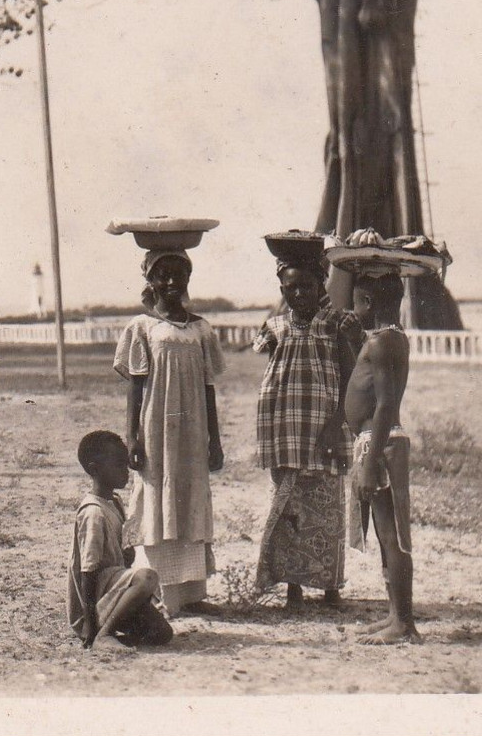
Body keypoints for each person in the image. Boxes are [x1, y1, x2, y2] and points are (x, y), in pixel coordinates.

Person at [252, 247, 364, 608]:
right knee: (289, 512)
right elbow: (277, 376)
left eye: (306, 286)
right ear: (282, 290)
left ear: (321, 286)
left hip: (324, 432)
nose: (299, 293)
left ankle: (331, 588)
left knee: (328, 509)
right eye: (291, 288)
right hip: (286, 433)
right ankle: (293, 589)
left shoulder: (334, 324)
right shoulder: (275, 327)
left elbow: (349, 376)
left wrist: (337, 423)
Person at [116, 249, 226, 615]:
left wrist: (216, 439)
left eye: (178, 274)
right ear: (150, 279)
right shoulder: (142, 327)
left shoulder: (201, 328)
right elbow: (135, 385)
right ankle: (157, 594)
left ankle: (192, 595)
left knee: (189, 494)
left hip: (193, 430)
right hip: (157, 426)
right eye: (162, 275)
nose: (171, 282)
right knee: (157, 497)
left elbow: (209, 386)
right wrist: (132, 437)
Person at [343, 270, 420, 644]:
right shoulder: (386, 338)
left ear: (368, 303)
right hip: (376, 440)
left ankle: (403, 622)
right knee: (384, 533)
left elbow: (387, 404)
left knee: (392, 537)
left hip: (382, 443)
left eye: (355, 301)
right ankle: (394, 615)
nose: (352, 309)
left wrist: (372, 462)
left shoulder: (382, 342)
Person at [69, 430, 175, 649]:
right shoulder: (93, 513)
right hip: (95, 603)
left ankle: (113, 634)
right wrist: (89, 624)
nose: (125, 471)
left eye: (125, 464)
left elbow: (117, 561)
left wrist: (126, 557)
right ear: (94, 470)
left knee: (162, 633)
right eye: (118, 465)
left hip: (114, 592)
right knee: (147, 577)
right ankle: (102, 635)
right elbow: (87, 573)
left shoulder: (114, 502)